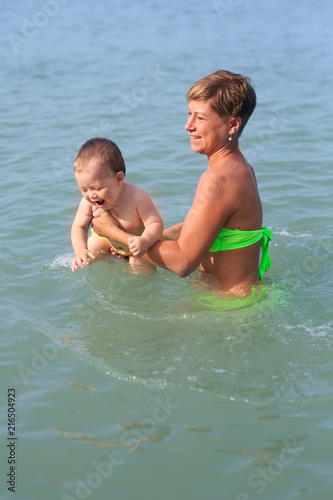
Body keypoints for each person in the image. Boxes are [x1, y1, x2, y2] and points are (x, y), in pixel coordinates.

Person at [91, 70, 272, 294]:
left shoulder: (218, 178)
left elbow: (182, 263)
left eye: (201, 117)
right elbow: (201, 229)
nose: (188, 125)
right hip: (244, 298)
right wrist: (147, 238)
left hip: (228, 309)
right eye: (189, 114)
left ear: (233, 125)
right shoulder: (239, 167)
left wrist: (115, 235)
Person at [71, 137, 163, 272]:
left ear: (119, 179)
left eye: (97, 188)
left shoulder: (137, 197)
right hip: (106, 241)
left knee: (141, 269)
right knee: (88, 255)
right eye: (84, 189)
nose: (91, 195)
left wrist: (146, 241)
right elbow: (79, 226)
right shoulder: (88, 202)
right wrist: (81, 251)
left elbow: (155, 223)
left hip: (136, 247)